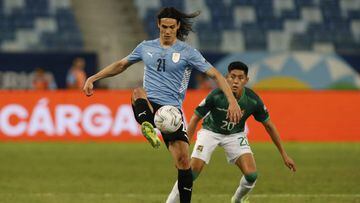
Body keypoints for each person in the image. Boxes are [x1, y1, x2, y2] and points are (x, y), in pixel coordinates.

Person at [82, 7, 242, 203]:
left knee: (183, 162)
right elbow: (121, 64)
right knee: (137, 92)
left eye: (171, 27)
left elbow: (216, 75)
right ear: (158, 25)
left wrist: (232, 101)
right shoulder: (145, 47)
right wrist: (94, 77)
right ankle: (147, 126)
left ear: (177, 27)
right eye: (164, 26)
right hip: (149, 103)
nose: (167, 31)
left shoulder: (188, 52)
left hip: (172, 112)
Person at [166, 61, 296, 203]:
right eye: (232, 77)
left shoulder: (253, 100)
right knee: (190, 174)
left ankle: (237, 199)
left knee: (252, 175)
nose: (235, 81)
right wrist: (184, 149)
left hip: (235, 135)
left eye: (240, 78)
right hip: (210, 132)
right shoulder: (215, 95)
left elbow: (269, 126)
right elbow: (194, 119)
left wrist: (284, 155)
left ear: (246, 80)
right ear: (226, 78)